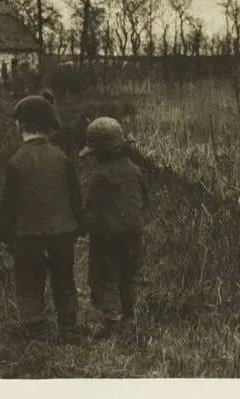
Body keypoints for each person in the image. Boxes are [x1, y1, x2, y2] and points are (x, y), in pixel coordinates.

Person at [0, 94, 86, 344]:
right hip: (61, 234)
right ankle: (68, 328)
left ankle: (35, 328)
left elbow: (8, 205)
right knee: (65, 280)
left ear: (19, 126)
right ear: (50, 127)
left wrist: (6, 236)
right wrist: (79, 226)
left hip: (28, 237)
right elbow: (74, 196)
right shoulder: (61, 158)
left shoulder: (16, 162)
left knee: (28, 282)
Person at [79, 117, 149, 338]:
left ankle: (112, 322)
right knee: (128, 274)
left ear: (98, 152)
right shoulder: (135, 170)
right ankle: (129, 315)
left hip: (106, 237)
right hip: (133, 233)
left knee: (106, 275)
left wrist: (83, 229)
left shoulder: (99, 176)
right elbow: (144, 200)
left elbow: (91, 208)